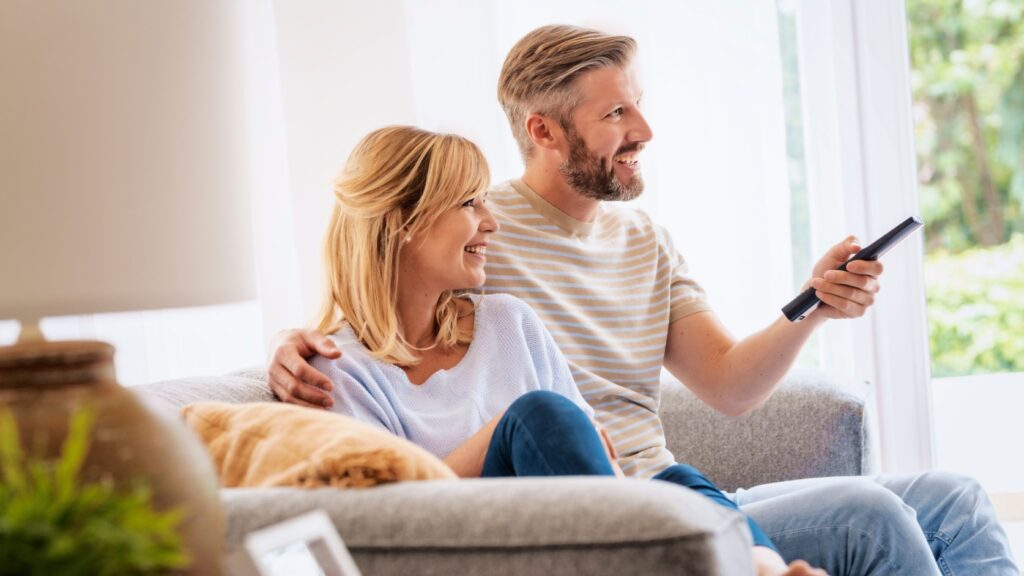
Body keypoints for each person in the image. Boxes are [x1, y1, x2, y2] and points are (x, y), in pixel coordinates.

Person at [270, 26, 1017, 575]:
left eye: (638, 107)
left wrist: (812, 305)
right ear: (543, 131)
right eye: (616, 116)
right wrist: (293, 346)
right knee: (872, 516)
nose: (644, 132)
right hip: (589, 507)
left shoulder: (631, 246)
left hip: (665, 484)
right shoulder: (480, 241)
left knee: (954, 497)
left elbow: (727, 384)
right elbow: (375, 294)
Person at [312, 125, 823, 576]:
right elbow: (380, 523)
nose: (490, 222)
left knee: (675, 480)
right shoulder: (340, 370)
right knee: (537, 414)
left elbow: (602, 465)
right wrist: (503, 434)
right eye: (469, 204)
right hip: (481, 553)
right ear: (404, 223)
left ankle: (762, 568)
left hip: (573, 540)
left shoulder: (509, 321)